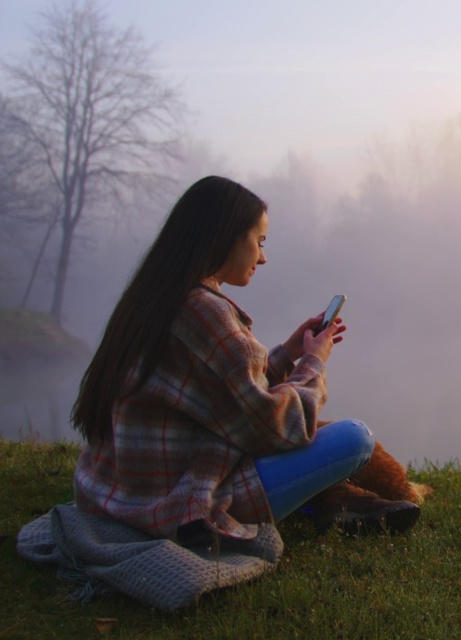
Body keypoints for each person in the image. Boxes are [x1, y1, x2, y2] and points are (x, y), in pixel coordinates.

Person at [69, 175, 421, 544]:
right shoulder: (207, 312)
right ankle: (327, 499)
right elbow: (275, 428)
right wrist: (313, 363)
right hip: (182, 503)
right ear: (226, 236)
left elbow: (225, 392)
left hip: (118, 492)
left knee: (328, 438)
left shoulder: (155, 298)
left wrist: (289, 351)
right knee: (355, 438)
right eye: (259, 241)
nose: (263, 257)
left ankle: (333, 500)